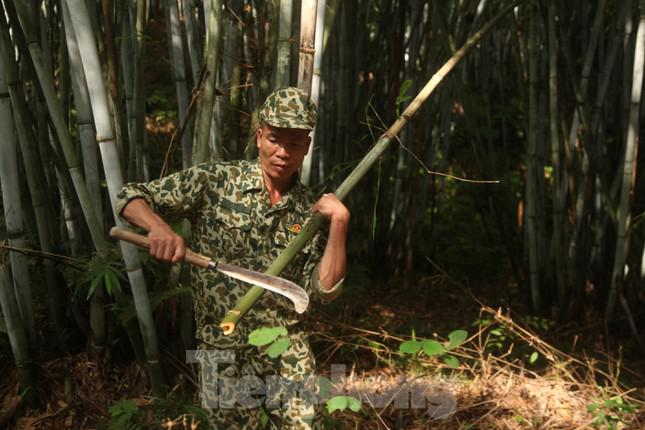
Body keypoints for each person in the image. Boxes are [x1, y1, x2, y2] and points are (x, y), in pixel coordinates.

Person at [115, 87, 349, 429]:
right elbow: (130, 196)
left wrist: (340, 223)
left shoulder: (310, 213)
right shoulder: (216, 181)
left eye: (295, 143)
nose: (282, 152)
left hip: (286, 345)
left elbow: (324, 292)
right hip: (223, 347)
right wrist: (158, 228)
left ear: (307, 146)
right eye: (274, 139)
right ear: (259, 137)